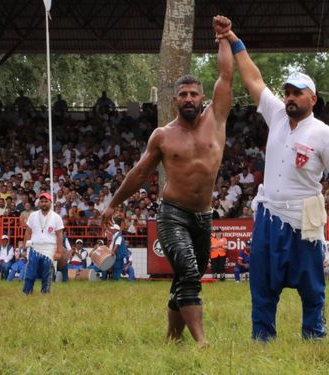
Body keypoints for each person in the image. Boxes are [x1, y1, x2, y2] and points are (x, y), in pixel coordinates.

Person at [216, 16, 329, 342]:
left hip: (305, 219)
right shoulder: (275, 116)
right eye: (286, 92)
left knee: (311, 283)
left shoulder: (324, 135)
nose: (289, 97)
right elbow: (253, 79)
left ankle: (314, 336)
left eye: (297, 93)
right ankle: (263, 338)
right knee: (262, 281)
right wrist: (232, 38)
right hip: (269, 215)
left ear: (312, 98)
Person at [100, 16, 233, 347]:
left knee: (187, 276)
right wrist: (113, 204)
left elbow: (226, 76)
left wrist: (225, 38)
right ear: (175, 100)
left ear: (202, 98)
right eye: (183, 94)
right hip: (172, 213)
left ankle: (173, 339)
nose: (189, 99)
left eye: (193, 94)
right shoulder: (163, 136)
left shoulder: (215, 119)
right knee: (189, 271)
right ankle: (202, 342)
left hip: (203, 216)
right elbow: (140, 173)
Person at [23, 192, 64, 294]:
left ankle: (45, 293)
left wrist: (59, 251)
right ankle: (27, 293)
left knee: (47, 272)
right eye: (42, 201)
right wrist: (25, 249)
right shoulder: (33, 215)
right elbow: (28, 232)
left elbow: (59, 236)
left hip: (49, 248)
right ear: (39, 203)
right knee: (30, 273)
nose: (44, 203)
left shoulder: (56, 217)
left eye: (46, 201)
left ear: (50, 202)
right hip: (34, 247)